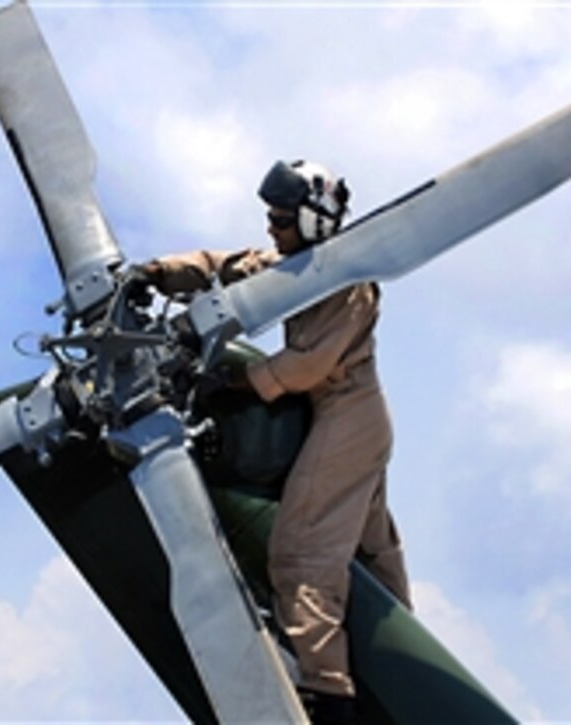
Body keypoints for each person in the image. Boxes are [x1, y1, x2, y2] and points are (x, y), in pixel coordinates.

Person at [139, 160, 412, 724]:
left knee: (302, 556)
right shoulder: (294, 265)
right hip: (346, 420)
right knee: (370, 555)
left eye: (282, 221)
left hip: (347, 417)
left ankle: (327, 694)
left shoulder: (348, 284)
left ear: (313, 223)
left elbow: (306, 366)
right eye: (270, 218)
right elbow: (227, 267)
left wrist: (234, 382)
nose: (272, 230)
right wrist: (159, 273)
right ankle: (398, 680)